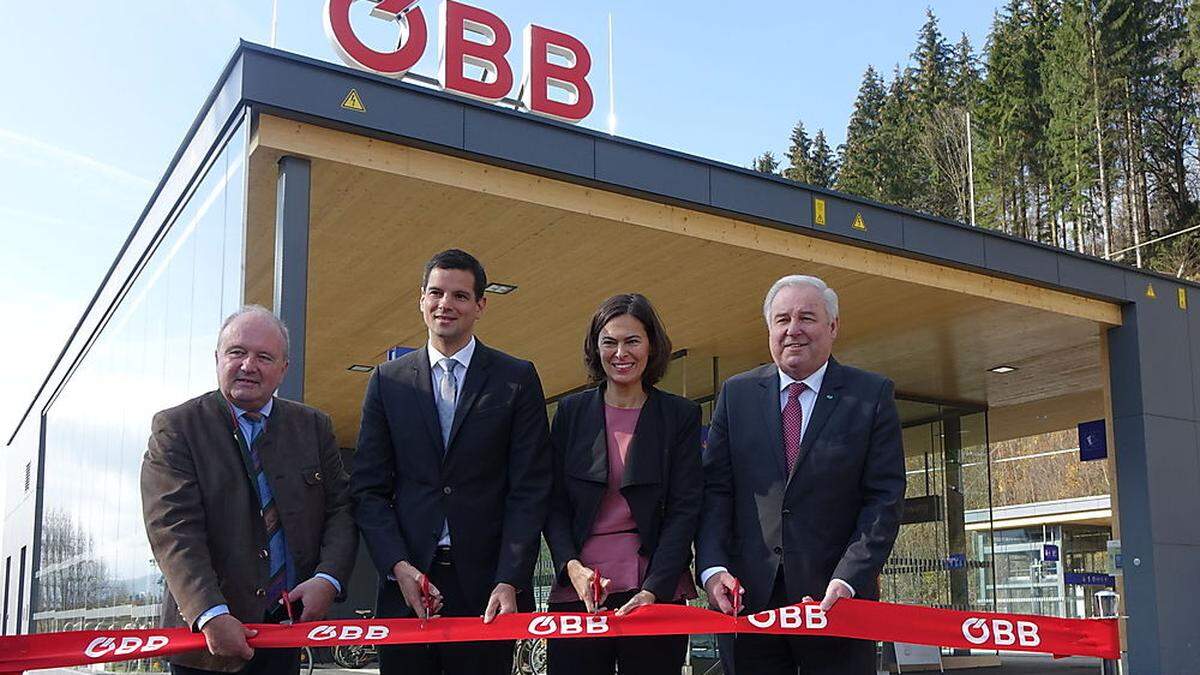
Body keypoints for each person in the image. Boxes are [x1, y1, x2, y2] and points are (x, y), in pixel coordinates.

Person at [351, 249, 551, 675]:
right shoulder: (388, 382)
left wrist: (510, 578)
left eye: (460, 296)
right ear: (421, 299)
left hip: (487, 591)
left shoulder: (516, 378)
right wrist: (398, 567)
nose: (446, 304)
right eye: (436, 293)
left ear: (480, 305)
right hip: (406, 586)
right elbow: (368, 489)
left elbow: (530, 489)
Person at [696, 275, 906, 674]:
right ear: (769, 330)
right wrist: (712, 569)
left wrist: (849, 579)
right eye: (782, 320)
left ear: (833, 326)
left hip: (837, 604)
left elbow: (884, 499)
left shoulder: (870, 395)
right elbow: (715, 492)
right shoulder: (736, 395)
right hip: (747, 604)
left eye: (807, 317)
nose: (793, 329)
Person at [141, 306, 357, 675]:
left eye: (264, 356)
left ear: (284, 368)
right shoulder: (177, 428)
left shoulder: (313, 428)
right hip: (203, 644)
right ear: (217, 359)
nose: (248, 365)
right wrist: (210, 613)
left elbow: (342, 509)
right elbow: (174, 530)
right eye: (237, 352)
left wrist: (328, 579)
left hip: (284, 631)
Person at [543, 293, 702, 675]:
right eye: (609, 341)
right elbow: (553, 502)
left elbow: (686, 508)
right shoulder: (571, 413)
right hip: (578, 587)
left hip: (653, 588)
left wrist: (655, 588)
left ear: (652, 346)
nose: (620, 353)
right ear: (595, 347)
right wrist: (572, 568)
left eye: (632, 341)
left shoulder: (679, 416)